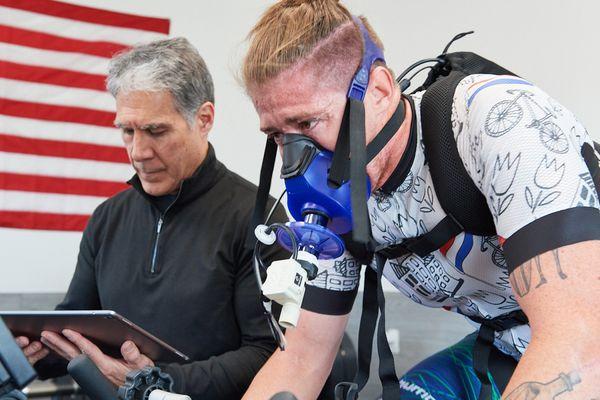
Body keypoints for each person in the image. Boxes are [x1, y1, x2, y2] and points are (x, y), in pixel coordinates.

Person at [239, 1, 600, 399]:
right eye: (277, 135)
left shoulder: (502, 124)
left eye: (307, 123)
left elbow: (579, 341)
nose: (295, 157)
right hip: (511, 345)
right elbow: (301, 357)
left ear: (377, 90)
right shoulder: (341, 207)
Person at [15, 37, 287, 399]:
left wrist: (155, 384)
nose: (138, 152)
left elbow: (268, 354)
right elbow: (74, 327)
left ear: (203, 119)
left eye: (156, 131)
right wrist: (27, 353)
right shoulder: (107, 218)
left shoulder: (259, 218)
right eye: (127, 131)